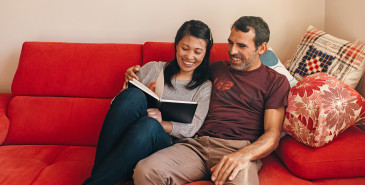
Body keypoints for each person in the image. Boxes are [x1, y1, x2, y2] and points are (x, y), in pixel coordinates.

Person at [129, 16, 290, 185]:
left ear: (262, 48)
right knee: (145, 171)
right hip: (196, 145)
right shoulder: (216, 68)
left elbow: (272, 135)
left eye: (241, 45)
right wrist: (136, 76)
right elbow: (178, 71)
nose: (232, 50)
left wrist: (243, 155)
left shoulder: (275, 81)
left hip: (237, 149)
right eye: (230, 42)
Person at [83, 20, 213, 185]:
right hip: (129, 142)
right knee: (133, 96)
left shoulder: (204, 87)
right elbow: (116, 109)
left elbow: (192, 127)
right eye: (185, 48)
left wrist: (160, 122)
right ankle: (101, 177)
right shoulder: (154, 69)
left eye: (197, 51)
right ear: (176, 46)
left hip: (163, 149)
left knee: (149, 125)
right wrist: (130, 91)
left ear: (205, 53)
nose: (189, 56)